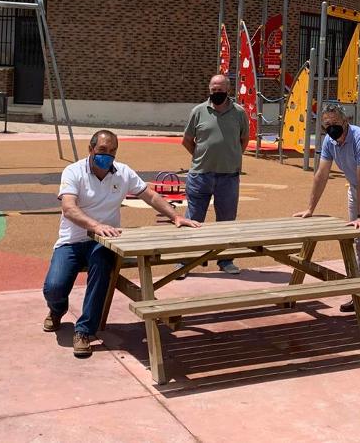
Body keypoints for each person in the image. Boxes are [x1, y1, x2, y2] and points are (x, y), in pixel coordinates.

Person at [43, 129, 199, 358]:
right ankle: (57, 310)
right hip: (72, 241)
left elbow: (150, 195)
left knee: (102, 270)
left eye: (112, 151)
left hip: (105, 242)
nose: (108, 155)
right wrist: (95, 226)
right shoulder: (74, 171)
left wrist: (175, 216)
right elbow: (68, 208)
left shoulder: (123, 172)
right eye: (103, 150)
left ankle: (85, 331)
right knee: (54, 288)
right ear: (91, 150)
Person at [294, 103, 360, 326]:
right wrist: (311, 209)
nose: (331, 128)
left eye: (335, 124)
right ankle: (359, 295)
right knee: (356, 243)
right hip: (355, 189)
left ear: (345, 121)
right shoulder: (329, 142)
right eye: (327, 125)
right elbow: (321, 174)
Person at [180, 74, 249, 275]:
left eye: (220, 90)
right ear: (209, 89)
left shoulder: (239, 113)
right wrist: (201, 156)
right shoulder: (198, 111)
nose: (216, 93)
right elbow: (187, 140)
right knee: (192, 218)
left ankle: (225, 261)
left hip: (228, 176)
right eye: (213, 90)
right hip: (200, 175)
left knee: (226, 221)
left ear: (228, 89)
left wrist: (232, 156)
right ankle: (185, 261)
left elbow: (243, 139)